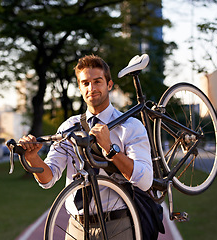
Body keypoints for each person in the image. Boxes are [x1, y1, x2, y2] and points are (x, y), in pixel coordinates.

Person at [18, 55, 154, 239]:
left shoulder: (130, 126)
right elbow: (48, 179)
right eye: (85, 83)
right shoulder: (68, 127)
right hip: (76, 227)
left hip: (118, 225)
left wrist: (110, 149)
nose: (92, 88)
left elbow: (145, 181)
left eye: (97, 81)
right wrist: (33, 158)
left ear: (109, 84)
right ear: (80, 87)